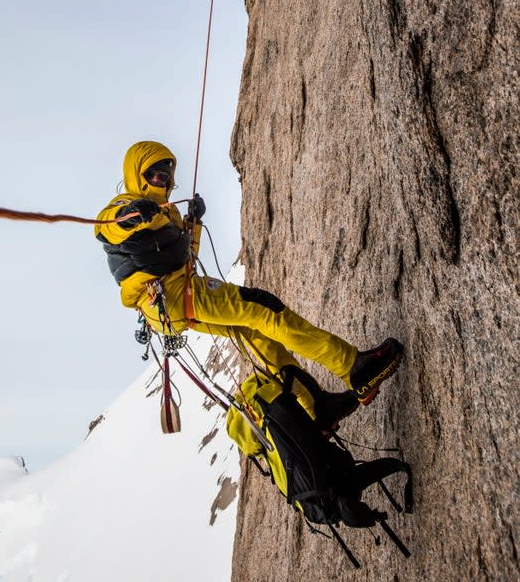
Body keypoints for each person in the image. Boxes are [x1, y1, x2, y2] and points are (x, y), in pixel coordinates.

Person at [95, 140, 404, 428]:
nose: (164, 180)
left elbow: (182, 256)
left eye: (167, 174)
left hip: (168, 307)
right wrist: (132, 214)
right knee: (264, 309)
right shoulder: (127, 204)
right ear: (138, 175)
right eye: (156, 175)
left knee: (255, 334)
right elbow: (108, 227)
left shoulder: (166, 211)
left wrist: (193, 224)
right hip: (174, 294)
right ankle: (353, 367)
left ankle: (315, 407)